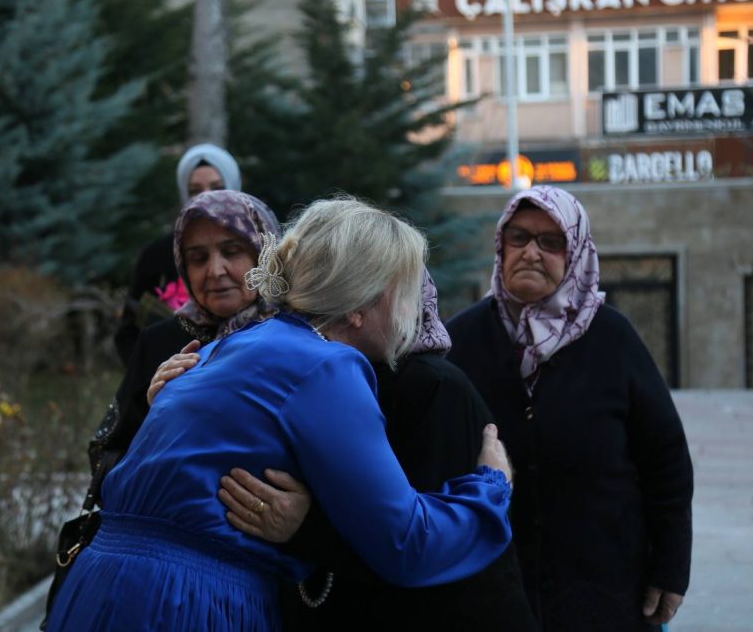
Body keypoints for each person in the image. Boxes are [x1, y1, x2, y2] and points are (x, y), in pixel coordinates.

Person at [45, 198, 515, 631]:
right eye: (405, 291)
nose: (415, 311)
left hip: (103, 587)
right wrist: (491, 488)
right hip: (186, 603)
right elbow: (405, 543)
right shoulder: (326, 366)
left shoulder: (235, 344)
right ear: (359, 307)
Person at [155, 272, 538, 631]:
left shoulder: (429, 386)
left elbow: (424, 545)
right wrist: (173, 402)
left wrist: (309, 528)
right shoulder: (287, 366)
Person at [444, 186, 694, 632]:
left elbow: (666, 461)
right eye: (518, 237)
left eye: (550, 242)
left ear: (575, 252)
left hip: (605, 589)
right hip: (491, 594)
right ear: (501, 247)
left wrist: (671, 568)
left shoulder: (612, 338)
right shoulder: (461, 340)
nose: (531, 253)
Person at [90, 190, 281, 501]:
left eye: (232, 251)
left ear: (265, 254)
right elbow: (106, 455)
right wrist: (156, 416)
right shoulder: (162, 341)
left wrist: (302, 519)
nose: (215, 271)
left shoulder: (298, 337)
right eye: (198, 258)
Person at [113, 143, 242, 364]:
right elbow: (129, 334)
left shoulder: (257, 244)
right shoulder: (158, 254)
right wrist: (156, 374)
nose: (206, 197)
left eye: (217, 187)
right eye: (195, 190)